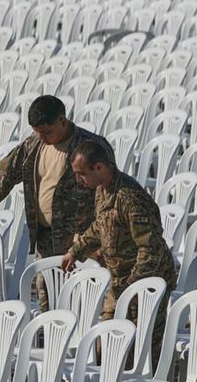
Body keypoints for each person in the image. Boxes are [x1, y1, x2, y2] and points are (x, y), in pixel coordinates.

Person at [0, 95, 113, 310]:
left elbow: (108, 193)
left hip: (82, 238)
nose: (41, 137)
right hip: (46, 237)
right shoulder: (33, 146)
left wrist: (101, 240)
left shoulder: (91, 147)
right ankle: (48, 342)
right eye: (37, 132)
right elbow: (2, 178)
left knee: (80, 303)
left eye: (47, 132)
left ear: (63, 121)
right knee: (48, 300)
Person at [62, 140, 175, 363]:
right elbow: (101, 226)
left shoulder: (129, 198)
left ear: (100, 167)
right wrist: (76, 251)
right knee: (106, 346)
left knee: (141, 352)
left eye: (81, 174)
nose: (79, 180)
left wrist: (133, 287)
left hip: (146, 284)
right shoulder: (102, 190)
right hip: (121, 282)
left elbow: (150, 248)